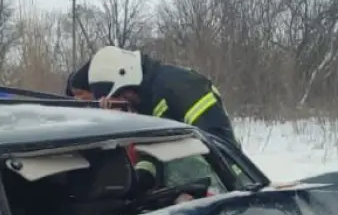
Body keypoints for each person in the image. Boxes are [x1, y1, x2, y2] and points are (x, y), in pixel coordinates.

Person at [85, 46, 239, 152]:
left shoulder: (179, 87)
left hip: (230, 182)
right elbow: (154, 153)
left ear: (128, 81)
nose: (121, 107)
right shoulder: (148, 102)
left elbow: (216, 142)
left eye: (118, 98)